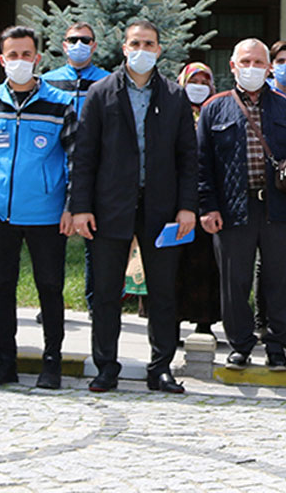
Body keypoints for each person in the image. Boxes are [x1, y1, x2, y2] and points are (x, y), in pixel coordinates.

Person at [71, 20, 199, 394]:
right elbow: (85, 156)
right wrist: (81, 207)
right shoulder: (100, 93)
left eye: (149, 43)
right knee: (107, 291)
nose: (142, 49)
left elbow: (188, 157)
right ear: (124, 48)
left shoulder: (174, 96)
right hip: (110, 205)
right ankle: (106, 367)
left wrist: (187, 206)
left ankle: (160, 367)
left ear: (159, 49)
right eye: (135, 43)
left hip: (161, 208)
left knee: (162, 292)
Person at [0, 26, 76, 389]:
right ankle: (5, 361)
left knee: (49, 286)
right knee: (2, 286)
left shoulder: (60, 102)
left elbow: (77, 160)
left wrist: (71, 208)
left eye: (27, 55)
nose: (20, 61)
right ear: (2, 60)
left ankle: (52, 362)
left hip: (47, 212)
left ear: (37, 58)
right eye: (13, 55)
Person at [198, 39, 286, 372]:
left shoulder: (285, 108)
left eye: (258, 62)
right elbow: (202, 164)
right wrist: (207, 207)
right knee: (235, 282)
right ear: (233, 66)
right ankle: (240, 344)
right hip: (233, 208)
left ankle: (277, 346)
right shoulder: (214, 108)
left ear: (268, 68)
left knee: (278, 281)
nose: (251, 68)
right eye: (244, 62)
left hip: (277, 208)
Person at [43, 22, 110, 315]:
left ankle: (97, 303)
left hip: (97, 166)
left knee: (95, 239)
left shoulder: (107, 81)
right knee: (52, 241)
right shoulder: (47, 81)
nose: (79, 44)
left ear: (94, 45)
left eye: (86, 40)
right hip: (57, 164)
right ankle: (50, 303)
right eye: (73, 39)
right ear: (64, 43)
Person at [176, 62, 219, 336]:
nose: (199, 86)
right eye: (194, 80)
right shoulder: (172, 110)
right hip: (174, 199)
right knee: (174, 264)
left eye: (205, 81)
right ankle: (172, 321)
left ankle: (205, 323)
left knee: (207, 265)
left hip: (207, 199)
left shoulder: (216, 112)